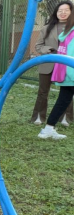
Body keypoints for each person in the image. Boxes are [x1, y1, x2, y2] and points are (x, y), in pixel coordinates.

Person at [31, 1, 74, 126]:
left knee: (67, 91)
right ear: (56, 12)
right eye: (60, 10)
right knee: (43, 92)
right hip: (48, 64)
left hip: (66, 66)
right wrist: (48, 50)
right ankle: (39, 117)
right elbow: (38, 46)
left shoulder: (72, 29)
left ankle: (66, 117)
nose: (63, 13)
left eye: (66, 10)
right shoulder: (46, 28)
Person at [39, 12, 74, 140]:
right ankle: (48, 129)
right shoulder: (71, 33)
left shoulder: (67, 32)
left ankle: (48, 129)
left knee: (63, 101)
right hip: (71, 73)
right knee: (63, 101)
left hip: (67, 74)